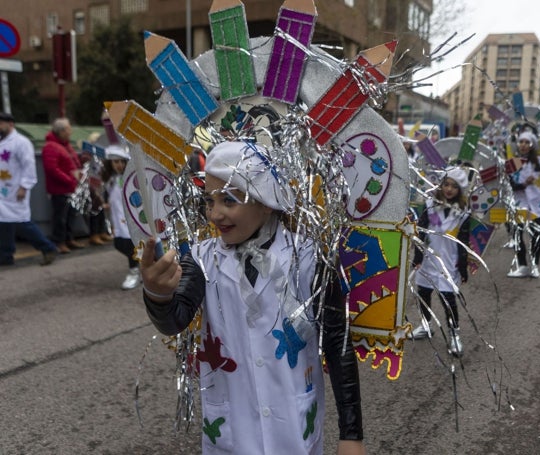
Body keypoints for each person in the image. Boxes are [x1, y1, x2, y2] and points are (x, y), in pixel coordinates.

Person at [140, 141, 364, 455]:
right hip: (233, 433)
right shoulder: (202, 259)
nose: (215, 214)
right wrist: (158, 295)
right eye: (209, 200)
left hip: (293, 431)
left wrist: (351, 434)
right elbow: (174, 320)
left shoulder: (309, 258)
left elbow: (337, 341)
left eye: (229, 200)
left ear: (266, 200)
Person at [411, 167, 470, 356]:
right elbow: (421, 231)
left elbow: (464, 243)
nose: (449, 189)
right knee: (424, 293)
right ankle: (426, 324)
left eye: (454, 186)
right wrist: (418, 258)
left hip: (449, 262)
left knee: (448, 300)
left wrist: (463, 267)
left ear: (460, 190)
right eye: (446, 184)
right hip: (428, 259)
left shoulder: (463, 213)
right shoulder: (430, 204)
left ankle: (454, 335)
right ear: (441, 185)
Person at [0, 112, 58, 266]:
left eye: (0, 123)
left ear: (10, 124)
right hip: (3, 190)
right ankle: (5, 255)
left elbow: (29, 165)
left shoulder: (21, 142)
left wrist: (24, 186)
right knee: (3, 223)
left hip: (16, 190)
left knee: (21, 222)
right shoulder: (2, 142)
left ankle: (48, 248)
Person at [507, 131, 540, 279]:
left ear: (532, 145)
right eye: (521, 142)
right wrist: (523, 184)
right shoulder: (514, 162)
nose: (523, 145)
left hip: (537, 205)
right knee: (517, 234)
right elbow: (509, 184)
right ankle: (523, 266)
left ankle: (535, 266)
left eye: (527, 142)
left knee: (535, 235)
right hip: (520, 204)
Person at [41, 118, 85, 253]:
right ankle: (59, 241)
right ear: (61, 131)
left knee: (70, 215)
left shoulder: (65, 145)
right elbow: (51, 169)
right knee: (60, 217)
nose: (70, 132)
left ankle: (68, 238)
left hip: (71, 187)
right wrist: (69, 179)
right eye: (68, 129)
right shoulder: (51, 146)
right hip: (60, 189)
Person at [102, 144, 140, 290]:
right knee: (119, 243)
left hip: (129, 216)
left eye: (122, 162)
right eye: (116, 162)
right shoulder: (110, 178)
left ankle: (134, 272)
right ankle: (141, 264)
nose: (119, 165)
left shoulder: (131, 176)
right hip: (116, 217)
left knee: (129, 245)